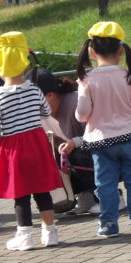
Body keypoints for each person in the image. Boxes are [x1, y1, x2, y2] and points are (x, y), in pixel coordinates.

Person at [0, 32, 63, 251]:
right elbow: (46, 112)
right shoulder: (35, 90)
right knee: (42, 190)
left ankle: (25, 236)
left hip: (12, 147)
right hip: (37, 143)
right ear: (24, 63)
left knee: (20, 194)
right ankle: (50, 232)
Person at [74, 21, 131, 237]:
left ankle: (108, 224)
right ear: (121, 51)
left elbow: (82, 113)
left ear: (91, 52)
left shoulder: (87, 80)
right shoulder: (129, 76)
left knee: (105, 184)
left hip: (101, 141)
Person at [34, 69, 105, 216]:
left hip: (106, 151)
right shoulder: (42, 115)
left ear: (50, 95)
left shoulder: (76, 101)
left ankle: (110, 197)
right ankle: (86, 196)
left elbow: (101, 134)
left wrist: (74, 143)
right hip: (80, 156)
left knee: (75, 156)